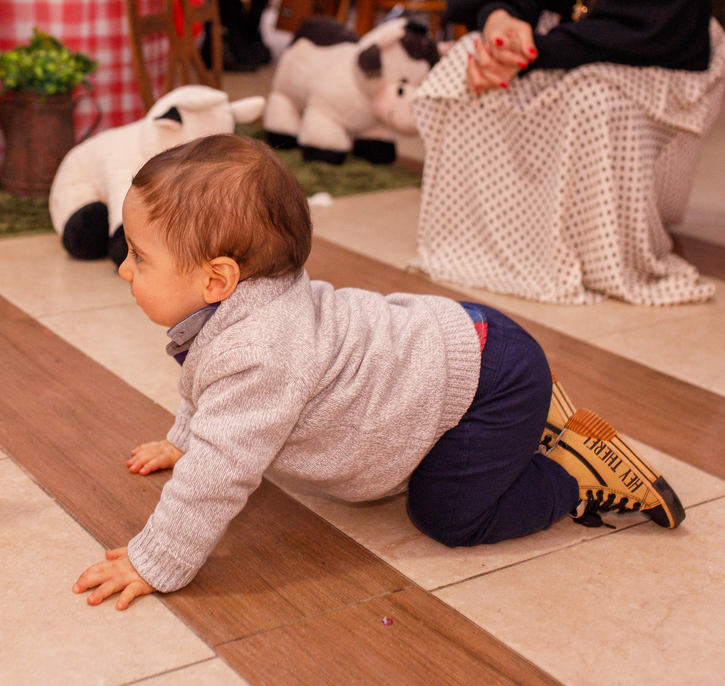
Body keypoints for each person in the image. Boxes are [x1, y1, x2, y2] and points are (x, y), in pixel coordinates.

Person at [72, 134, 683, 609]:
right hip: (468, 346)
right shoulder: (237, 314)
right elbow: (207, 387)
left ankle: (571, 472)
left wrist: (157, 559)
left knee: (448, 516)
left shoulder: (262, 349)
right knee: (451, 471)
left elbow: (219, 473)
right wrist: (185, 441)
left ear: (218, 279)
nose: (126, 269)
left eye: (139, 257)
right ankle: (527, 423)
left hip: (490, 379)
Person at [412, 0, 723, 305]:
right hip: (549, 42)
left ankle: (591, 254)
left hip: (645, 51)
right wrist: (501, 23)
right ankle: (507, 242)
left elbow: (656, 12)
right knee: (463, 71)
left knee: (591, 101)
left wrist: (537, 53)